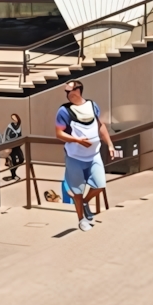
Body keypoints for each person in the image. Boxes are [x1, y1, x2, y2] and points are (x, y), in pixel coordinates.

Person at [55, 81, 114, 231]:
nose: (68, 94)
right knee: (77, 191)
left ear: (78, 90)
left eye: (70, 90)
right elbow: (59, 133)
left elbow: (101, 126)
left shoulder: (93, 105)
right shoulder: (64, 111)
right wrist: (77, 140)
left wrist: (110, 144)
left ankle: (86, 202)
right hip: (75, 156)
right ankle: (81, 219)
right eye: (66, 91)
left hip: (94, 155)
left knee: (100, 185)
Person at [4, 113, 24, 182]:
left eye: (15, 118)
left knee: (21, 159)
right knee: (14, 161)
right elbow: (7, 136)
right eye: (13, 118)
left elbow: (20, 136)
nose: (14, 119)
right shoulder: (10, 126)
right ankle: (13, 175)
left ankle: (13, 172)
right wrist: (8, 146)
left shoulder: (19, 126)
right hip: (12, 146)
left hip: (17, 146)